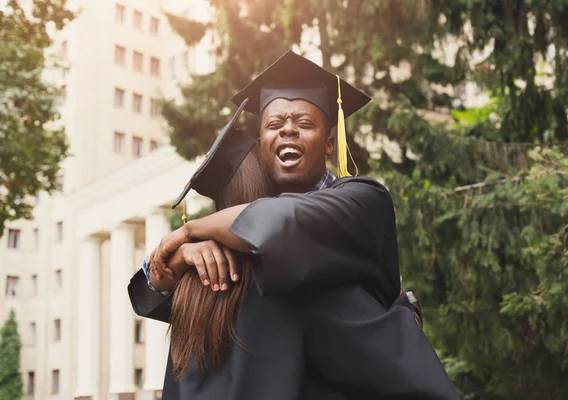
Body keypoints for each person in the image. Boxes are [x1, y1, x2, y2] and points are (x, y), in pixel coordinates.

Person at [129, 50, 459, 399]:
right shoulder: (236, 248)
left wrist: (190, 231)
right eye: (273, 125)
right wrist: (178, 262)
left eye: (303, 123)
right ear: (262, 148)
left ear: (330, 143)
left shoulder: (361, 200)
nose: (287, 129)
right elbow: (161, 299)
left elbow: (282, 225)